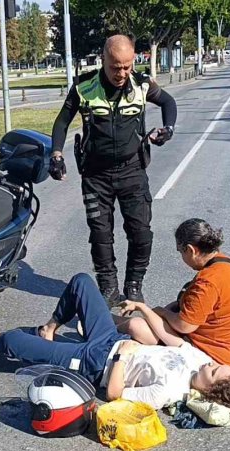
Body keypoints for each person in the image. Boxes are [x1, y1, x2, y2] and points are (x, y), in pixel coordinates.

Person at [0, 273, 230, 413]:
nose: (211, 364)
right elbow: (171, 339)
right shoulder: (197, 361)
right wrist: (145, 310)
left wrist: (121, 359)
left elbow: (115, 395)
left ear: (209, 390)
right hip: (111, 338)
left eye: (214, 372)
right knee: (82, 282)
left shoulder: (168, 392)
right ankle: (50, 327)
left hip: (95, 363)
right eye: (217, 365)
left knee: (13, 341)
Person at [49, 35, 178, 307]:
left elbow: (169, 103)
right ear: (103, 60)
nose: (121, 73)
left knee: (141, 232)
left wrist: (168, 129)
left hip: (132, 171)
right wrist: (56, 154)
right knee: (100, 234)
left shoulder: (141, 85)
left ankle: (134, 285)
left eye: (127, 66)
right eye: (115, 67)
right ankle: (108, 287)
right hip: (96, 175)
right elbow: (62, 122)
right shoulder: (85, 87)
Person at [118, 218, 230, 369]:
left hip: (215, 358)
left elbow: (184, 326)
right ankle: (107, 319)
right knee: (151, 319)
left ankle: (103, 324)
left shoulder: (208, 282)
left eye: (180, 252)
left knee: (137, 325)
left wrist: (161, 312)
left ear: (191, 250)